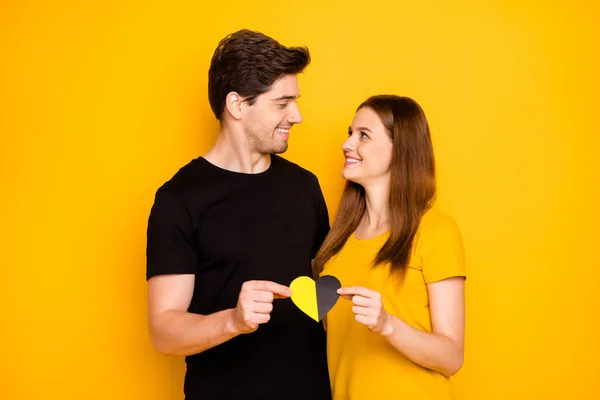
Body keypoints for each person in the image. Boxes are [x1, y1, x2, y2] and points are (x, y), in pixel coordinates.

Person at [145, 29, 332, 400]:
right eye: (282, 103)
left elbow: (324, 292)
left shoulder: (305, 187)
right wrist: (233, 320)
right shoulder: (178, 200)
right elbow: (163, 332)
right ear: (237, 105)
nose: (297, 116)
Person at [314, 95, 466, 399]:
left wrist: (387, 325)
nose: (347, 144)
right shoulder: (336, 244)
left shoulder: (435, 230)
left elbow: (451, 357)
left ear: (401, 151)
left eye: (364, 135)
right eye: (349, 133)